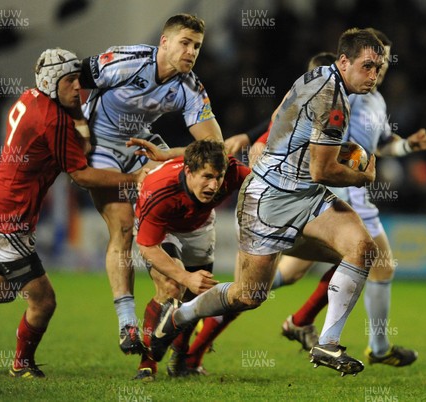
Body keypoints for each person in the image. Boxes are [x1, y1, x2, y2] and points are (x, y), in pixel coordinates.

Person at [151, 27, 384, 376]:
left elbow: (284, 123)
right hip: (268, 204)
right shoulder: (332, 102)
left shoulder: (316, 76)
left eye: (378, 68)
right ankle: (179, 316)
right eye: (367, 66)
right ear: (344, 61)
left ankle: (327, 343)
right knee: (249, 296)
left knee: (362, 249)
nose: (374, 75)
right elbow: (323, 171)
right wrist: (364, 175)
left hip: (304, 197)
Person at [0, 48, 147, 378]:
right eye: (71, 80)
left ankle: (21, 361)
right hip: (6, 223)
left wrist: (77, 117)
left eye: (78, 78)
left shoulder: (33, 98)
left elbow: (81, 147)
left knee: (0, 291)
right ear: (51, 83)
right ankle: (21, 364)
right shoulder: (52, 120)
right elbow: (82, 174)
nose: (78, 86)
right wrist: (133, 178)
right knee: (44, 301)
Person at [276, 29, 426, 367]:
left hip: (348, 188)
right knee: (380, 264)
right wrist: (356, 164)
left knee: (286, 274)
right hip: (342, 190)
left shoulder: (376, 99)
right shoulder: (347, 93)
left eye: (385, 62)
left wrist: (407, 146)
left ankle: (223, 303)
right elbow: (328, 146)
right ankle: (374, 347)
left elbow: (382, 144)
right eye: (374, 62)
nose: (379, 69)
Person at [77, 13, 224, 355]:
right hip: (99, 144)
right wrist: (77, 131)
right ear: (164, 42)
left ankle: (173, 294)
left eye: (197, 46)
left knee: (185, 181)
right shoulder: (126, 61)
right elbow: (73, 78)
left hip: (142, 144)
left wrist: (167, 153)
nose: (191, 52)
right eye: (185, 43)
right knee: (124, 228)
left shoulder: (190, 88)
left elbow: (214, 148)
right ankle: (127, 323)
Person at [124, 139, 249, 381]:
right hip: (163, 230)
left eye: (219, 177)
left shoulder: (232, 171)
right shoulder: (158, 190)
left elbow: (263, 185)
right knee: (173, 287)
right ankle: (147, 362)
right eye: (207, 177)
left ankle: (180, 356)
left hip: (199, 226)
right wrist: (184, 276)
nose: (214, 185)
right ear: (188, 171)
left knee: (196, 296)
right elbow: (148, 247)